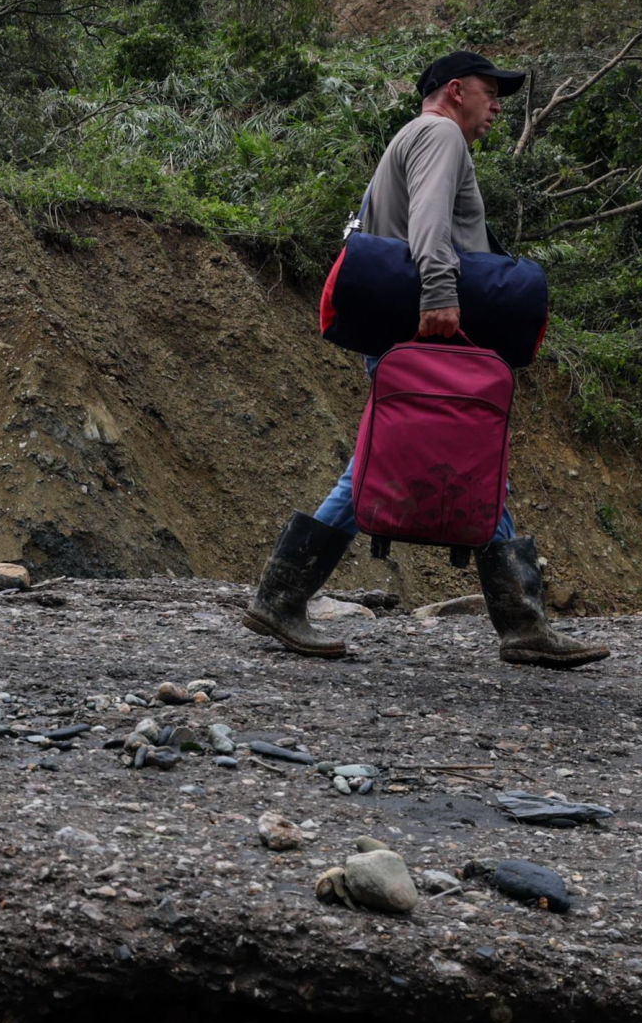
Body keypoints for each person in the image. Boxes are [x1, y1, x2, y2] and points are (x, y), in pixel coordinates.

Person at [244, 49, 609, 669]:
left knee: (443, 460)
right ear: (456, 90)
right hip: (427, 324)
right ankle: (282, 599)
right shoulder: (441, 135)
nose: (498, 107)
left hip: (402, 331)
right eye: (491, 93)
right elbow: (430, 222)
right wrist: (440, 293)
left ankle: (522, 624)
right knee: (398, 463)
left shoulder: (412, 136)